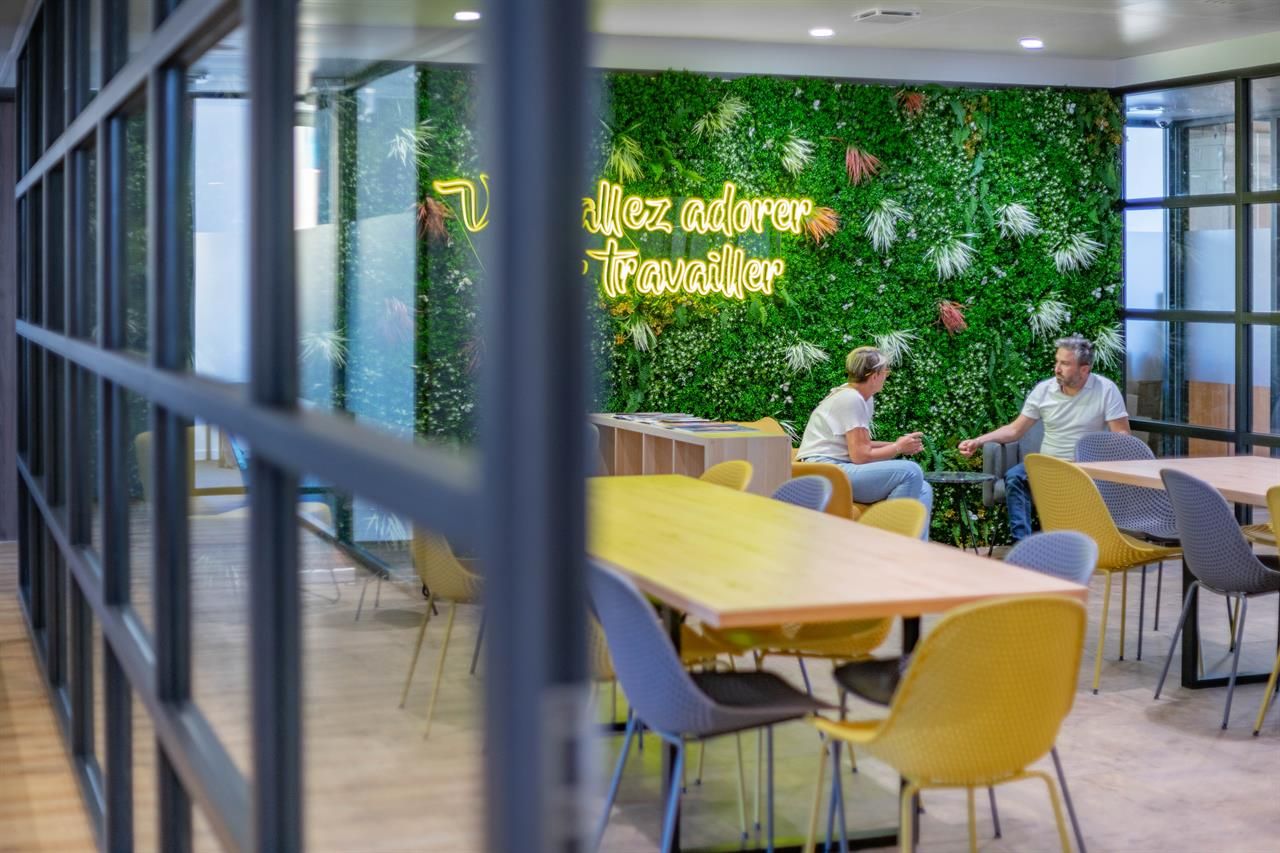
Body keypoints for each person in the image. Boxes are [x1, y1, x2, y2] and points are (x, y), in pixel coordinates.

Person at [958, 334, 1130, 542]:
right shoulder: (1044, 390)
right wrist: (978, 441)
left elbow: (1122, 436)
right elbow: (1015, 430)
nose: (1057, 368)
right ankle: (1023, 545)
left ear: (1084, 369)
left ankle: (1079, 545)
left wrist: (1101, 463)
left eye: (1065, 364)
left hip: (1084, 468)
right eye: (1057, 361)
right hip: (1047, 464)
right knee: (1015, 477)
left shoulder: (1106, 389)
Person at [795, 346, 933, 540]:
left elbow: (861, 445)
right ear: (874, 375)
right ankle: (885, 543)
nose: (886, 377)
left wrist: (897, 444)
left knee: (924, 489)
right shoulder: (851, 399)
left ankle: (911, 551)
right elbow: (860, 456)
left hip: (838, 466)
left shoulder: (860, 398)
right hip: (824, 470)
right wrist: (898, 448)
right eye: (886, 372)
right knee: (911, 471)